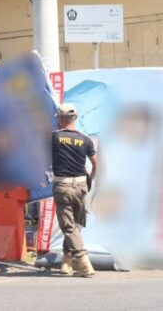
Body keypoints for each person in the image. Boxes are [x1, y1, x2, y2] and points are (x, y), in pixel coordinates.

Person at [52, 103, 97, 277]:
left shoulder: (54, 137)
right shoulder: (86, 139)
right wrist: (90, 179)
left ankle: (83, 263)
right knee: (75, 226)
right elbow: (95, 163)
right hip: (81, 186)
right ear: (75, 118)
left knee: (69, 227)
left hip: (62, 186)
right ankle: (66, 262)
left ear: (60, 119)